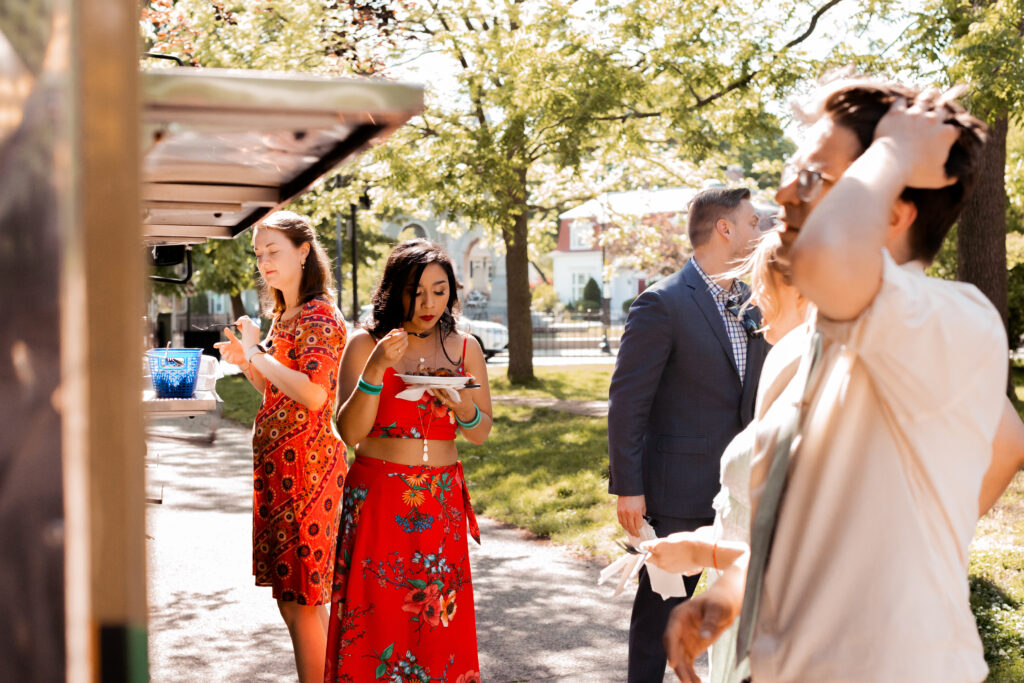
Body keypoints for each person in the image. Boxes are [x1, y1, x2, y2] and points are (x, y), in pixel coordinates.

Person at [662, 78, 1011, 683]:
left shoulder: (958, 321)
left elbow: (828, 257)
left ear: (894, 211)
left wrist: (896, 150)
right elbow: (799, 527)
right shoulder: (803, 346)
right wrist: (731, 595)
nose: (782, 194)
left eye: (817, 178)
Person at [607, 186, 770, 682]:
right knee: (659, 619)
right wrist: (629, 488)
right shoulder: (663, 303)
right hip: (679, 493)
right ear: (725, 228)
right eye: (753, 222)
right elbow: (628, 402)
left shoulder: (757, 303)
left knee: (745, 618)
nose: (760, 231)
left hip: (746, 494)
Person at [325, 239, 492, 683]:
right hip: (378, 498)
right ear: (395, 290)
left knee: (437, 625)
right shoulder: (365, 344)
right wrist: (376, 371)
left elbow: (480, 431)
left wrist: (461, 407)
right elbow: (349, 432)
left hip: (440, 503)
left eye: (439, 291)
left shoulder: (464, 348)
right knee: (378, 618)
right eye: (416, 291)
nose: (427, 303)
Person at [214, 210, 347, 683]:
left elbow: (314, 394)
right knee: (293, 603)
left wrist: (256, 353)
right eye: (258, 254)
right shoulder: (284, 315)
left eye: (274, 251)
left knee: (303, 602)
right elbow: (278, 393)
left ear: (304, 251)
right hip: (278, 471)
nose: (264, 262)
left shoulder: (320, 315)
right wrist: (247, 362)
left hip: (307, 471)